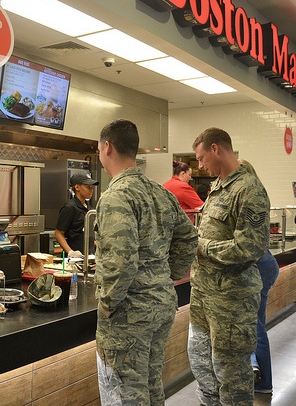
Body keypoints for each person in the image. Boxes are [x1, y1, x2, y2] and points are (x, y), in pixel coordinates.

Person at [94, 119, 198, 405]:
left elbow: (121, 261)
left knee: (126, 395)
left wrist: (106, 304)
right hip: (161, 305)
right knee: (151, 388)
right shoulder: (160, 192)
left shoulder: (116, 196)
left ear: (107, 147)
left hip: (129, 314)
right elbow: (189, 238)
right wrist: (167, 276)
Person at [187, 129, 269, 406]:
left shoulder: (248, 189)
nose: (200, 166)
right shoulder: (218, 186)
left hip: (231, 302)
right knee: (202, 368)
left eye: (201, 159)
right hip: (203, 298)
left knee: (231, 377)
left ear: (215, 149)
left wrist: (203, 247)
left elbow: (251, 247)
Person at [238, 159, 280, 395]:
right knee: (255, 324)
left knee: (256, 326)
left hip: (259, 266)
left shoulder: (247, 195)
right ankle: (255, 369)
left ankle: (263, 382)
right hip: (265, 263)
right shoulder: (257, 192)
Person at [55, 170, 98, 259]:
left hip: (89, 256)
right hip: (74, 258)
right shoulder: (70, 208)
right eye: (88, 187)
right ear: (77, 187)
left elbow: (87, 233)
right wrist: (71, 252)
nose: (91, 190)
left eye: (91, 187)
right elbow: (59, 233)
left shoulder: (88, 208)